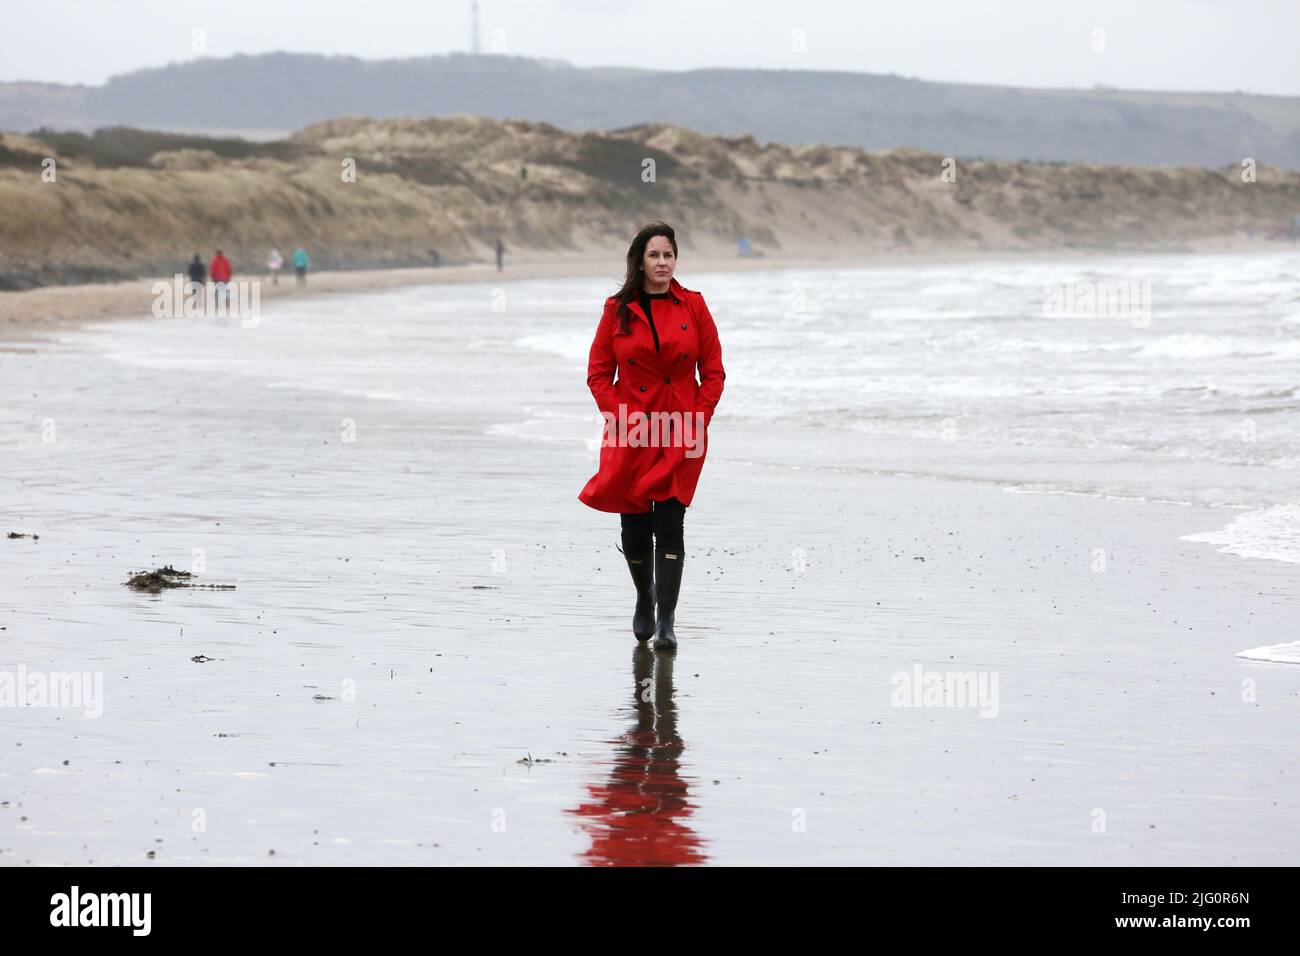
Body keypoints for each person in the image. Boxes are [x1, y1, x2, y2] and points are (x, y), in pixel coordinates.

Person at [578, 221, 725, 651]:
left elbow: (713, 371)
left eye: (669, 255)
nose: (663, 263)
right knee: (635, 524)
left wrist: (699, 417)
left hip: (683, 428)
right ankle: (644, 596)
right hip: (632, 428)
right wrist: (619, 416)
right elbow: (599, 373)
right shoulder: (615, 309)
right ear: (639, 262)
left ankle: (667, 620)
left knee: (671, 521)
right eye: (654, 255)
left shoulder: (694, 305)